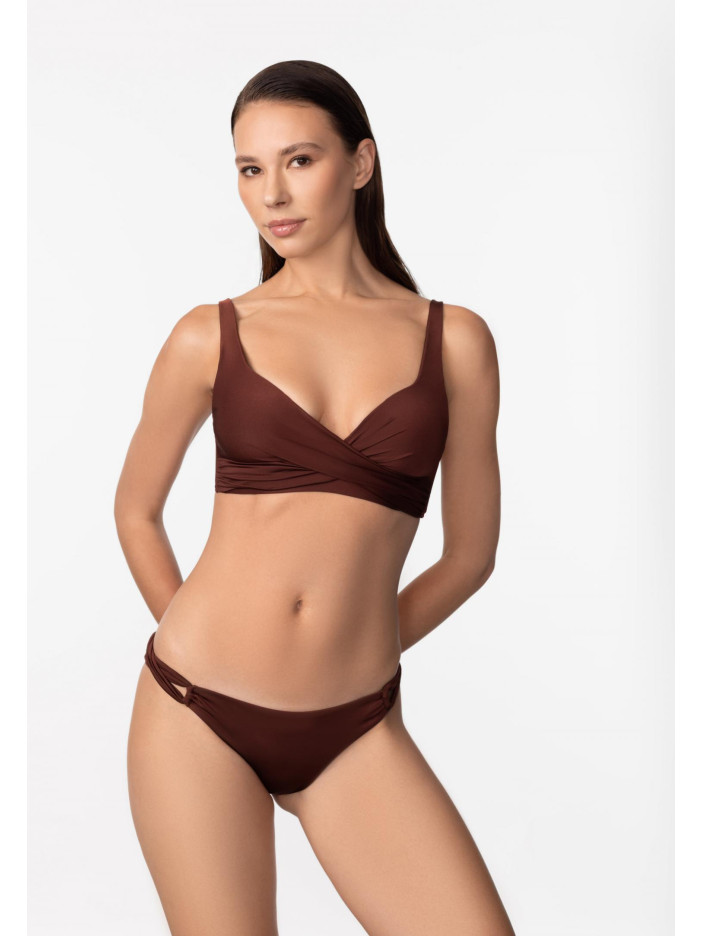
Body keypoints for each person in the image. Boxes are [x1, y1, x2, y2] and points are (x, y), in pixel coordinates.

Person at [115, 59, 512, 936]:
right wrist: (210, 647)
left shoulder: (455, 343)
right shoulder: (209, 335)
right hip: (194, 709)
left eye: (299, 160)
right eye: (250, 169)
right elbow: (135, 510)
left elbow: (470, 556)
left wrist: (353, 645)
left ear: (360, 163)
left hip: (354, 725)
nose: (272, 194)